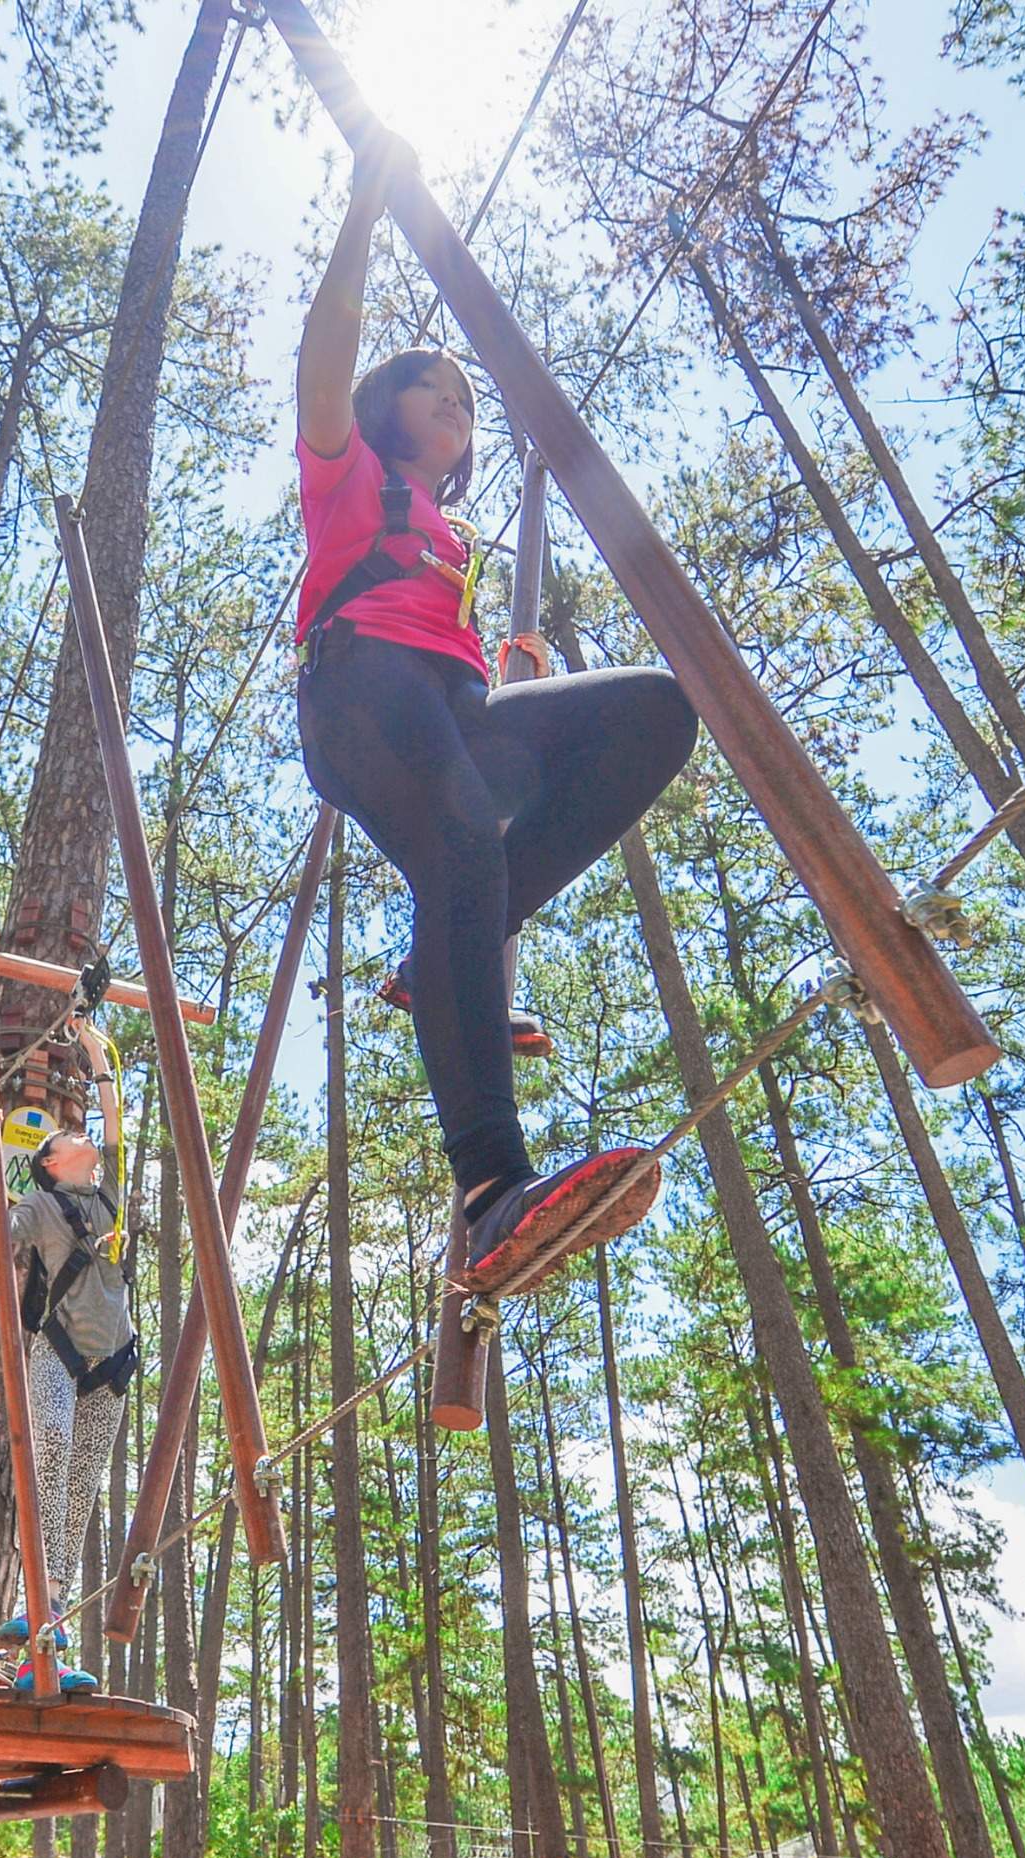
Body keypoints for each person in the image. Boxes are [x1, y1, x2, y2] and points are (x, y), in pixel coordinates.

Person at [294, 132, 699, 1293]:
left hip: (455, 701)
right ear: (387, 409)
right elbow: (322, 365)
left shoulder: (454, 532)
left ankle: (445, 956)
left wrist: (504, 674)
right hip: (362, 695)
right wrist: (365, 212)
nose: (458, 407)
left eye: (468, 401)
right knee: (463, 846)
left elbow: (452, 654)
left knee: (653, 716)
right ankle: (491, 1190)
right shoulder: (349, 476)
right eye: (439, 389)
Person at [0, 1024, 135, 1695]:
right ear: (50, 1161)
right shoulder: (37, 1204)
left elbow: (114, 1115)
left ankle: (51, 1628)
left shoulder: (108, 1195)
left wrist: (96, 1051)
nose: (86, 1139)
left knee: (80, 1492)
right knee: (52, 1451)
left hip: (114, 1361)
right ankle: (30, 1602)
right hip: (59, 1351)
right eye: (72, 1140)